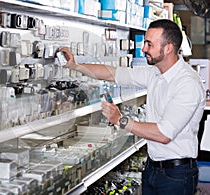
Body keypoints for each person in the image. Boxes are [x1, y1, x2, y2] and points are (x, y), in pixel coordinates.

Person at [60, 19, 206, 195]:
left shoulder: (187, 83)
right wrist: (75, 66)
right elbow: (112, 73)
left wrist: (120, 120)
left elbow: (164, 134)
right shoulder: (155, 73)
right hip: (152, 168)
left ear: (168, 48)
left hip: (176, 174)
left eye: (149, 44)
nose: (143, 49)